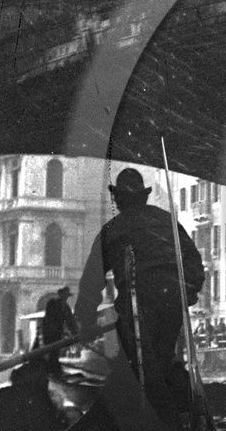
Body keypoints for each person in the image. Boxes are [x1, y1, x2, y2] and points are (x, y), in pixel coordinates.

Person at [74, 168, 203, 414]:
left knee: (136, 363)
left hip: (137, 302)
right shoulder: (167, 221)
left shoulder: (112, 230)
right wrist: (189, 290)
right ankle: (175, 407)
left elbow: (92, 282)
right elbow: (193, 261)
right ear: (144, 197)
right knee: (162, 357)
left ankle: (146, 412)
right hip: (171, 299)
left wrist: (85, 323)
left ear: (118, 200)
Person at [41, 287, 77, 377]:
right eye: (64, 295)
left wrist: (76, 334)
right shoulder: (52, 303)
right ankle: (52, 372)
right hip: (49, 332)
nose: (65, 297)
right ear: (60, 295)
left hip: (57, 333)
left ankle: (54, 371)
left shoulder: (66, 307)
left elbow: (70, 321)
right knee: (51, 352)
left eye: (66, 296)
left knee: (55, 353)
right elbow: (48, 318)